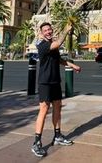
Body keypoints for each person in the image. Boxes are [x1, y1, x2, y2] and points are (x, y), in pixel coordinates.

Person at [31, 21, 81, 157]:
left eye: (49, 29)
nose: (48, 31)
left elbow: (58, 60)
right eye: (45, 30)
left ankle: (57, 135)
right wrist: (66, 30)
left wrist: (72, 65)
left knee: (58, 107)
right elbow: (57, 44)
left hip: (55, 81)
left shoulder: (52, 45)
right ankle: (36, 142)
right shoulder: (42, 45)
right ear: (41, 33)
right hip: (45, 82)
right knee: (44, 108)